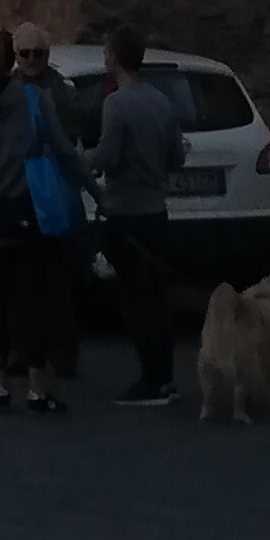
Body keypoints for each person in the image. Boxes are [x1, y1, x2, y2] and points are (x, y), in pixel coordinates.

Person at [0, 25, 84, 414]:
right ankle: (36, 388)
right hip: (28, 211)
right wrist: (95, 191)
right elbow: (64, 149)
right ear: (13, 58)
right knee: (31, 301)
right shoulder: (35, 97)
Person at [92, 24, 183, 409]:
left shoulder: (116, 104)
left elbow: (107, 157)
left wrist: (81, 159)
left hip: (126, 212)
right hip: (156, 211)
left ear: (114, 57)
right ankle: (165, 377)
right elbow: (176, 156)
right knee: (157, 299)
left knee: (136, 301)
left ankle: (151, 379)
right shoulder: (162, 102)